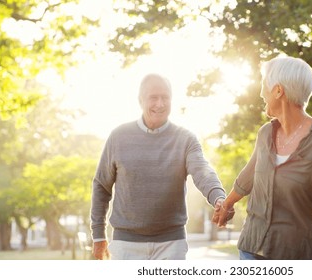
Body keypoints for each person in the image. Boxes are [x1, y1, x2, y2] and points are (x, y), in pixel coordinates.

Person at [212, 55, 312, 260]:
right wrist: (226, 204)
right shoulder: (266, 133)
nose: (261, 93)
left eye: (263, 86)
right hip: (251, 248)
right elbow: (248, 176)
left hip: (295, 252)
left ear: (278, 90)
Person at [91, 73, 229, 260]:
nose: (160, 104)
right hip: (126, 244)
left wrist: (218, 197)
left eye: (165, 97)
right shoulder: (118, 137)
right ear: (140, 100)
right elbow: (101, 186)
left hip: (171, 244)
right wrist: (98, 235)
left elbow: (203, 171)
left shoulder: (185, 139)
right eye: (153, 97)